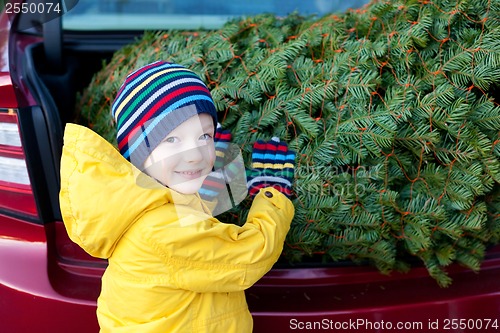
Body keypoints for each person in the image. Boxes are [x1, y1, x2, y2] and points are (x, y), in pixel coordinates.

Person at [59, 61, 296, 332]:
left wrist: (212, 177)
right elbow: (249, 257)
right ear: (137, 153)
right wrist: (272, 194)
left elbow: (189, 216)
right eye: (172, 140)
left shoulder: (146, 200)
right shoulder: (161, 230)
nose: (195, 154)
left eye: (204, 136)